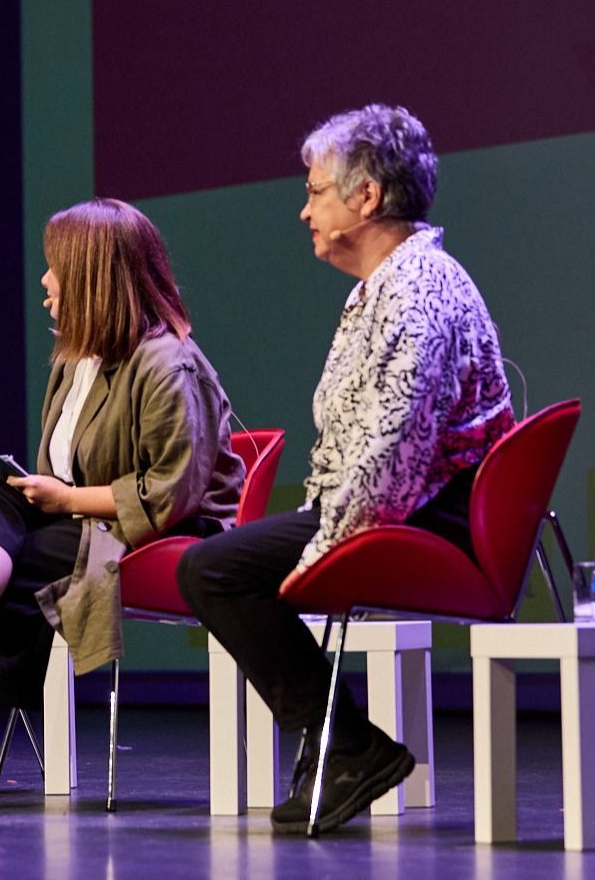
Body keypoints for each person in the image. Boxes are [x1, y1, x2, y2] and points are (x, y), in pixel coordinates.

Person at [176, 104, 513, 834]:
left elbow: (393, 458)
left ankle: (347, 744)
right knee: (219, 563)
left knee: (214, 568)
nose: (305, 211)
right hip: (397, 507)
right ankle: (339, 743)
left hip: (427, 519)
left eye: (315, 191)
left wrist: (321, 552)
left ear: (366, 197)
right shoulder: (380, 288)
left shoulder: (418, 291)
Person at [0, 198, 245, 810]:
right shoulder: (76, 360)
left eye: (56, 267)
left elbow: (172, 492)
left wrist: (64, 497)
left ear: (93, 276)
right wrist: (34, 485)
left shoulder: (168, 363)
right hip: (81, 517)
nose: (44, 280)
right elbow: (64, 471)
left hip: (164, 531)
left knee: (19, 565)